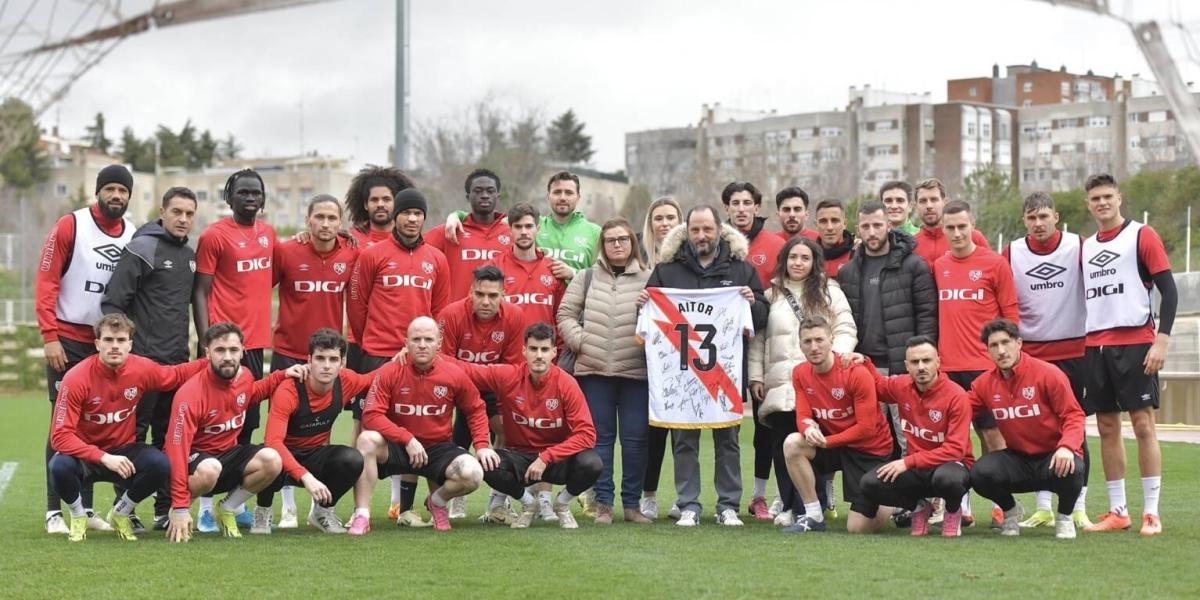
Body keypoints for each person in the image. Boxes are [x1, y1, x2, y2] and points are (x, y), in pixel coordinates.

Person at [643, 205, 768, 527]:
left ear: (718, 229)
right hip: (681, 373)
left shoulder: (740, 268)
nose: (701, 236)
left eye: (707, 229)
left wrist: (753, 303)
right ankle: (689, 504)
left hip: (722, 372)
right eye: (695, 230)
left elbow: (762, 317)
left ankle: (728, 505)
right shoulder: (667, 270)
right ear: (687, 231)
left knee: (728, 440)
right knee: (684, 441)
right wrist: (644, 304)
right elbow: (648, 319)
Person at [36, 164, 135, 534]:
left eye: (123, 191)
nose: (116, 196)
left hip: (108, 343)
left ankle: (87, 509)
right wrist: (49, 335)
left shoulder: (133, 235)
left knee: (95, 427)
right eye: (110, 189)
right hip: (68, 339)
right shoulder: (70, 225)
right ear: (98, 192)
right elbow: (46, 282)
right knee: (62, 424)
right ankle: (52, 511)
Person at [48, 313, 206, 541]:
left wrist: (209, 360)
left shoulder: (141, 369)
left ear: (130, 345)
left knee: (160, 464)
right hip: (86, 457)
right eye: (109, 340)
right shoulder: (76, 378)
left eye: (121, 340)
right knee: (58, 465)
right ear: (97, 344)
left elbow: (174, 375)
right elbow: (60, 437)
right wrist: (103, 457)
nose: (115, 346)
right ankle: (78, 515)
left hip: (123, 452)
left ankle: (121, 513)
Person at [1078, 174, 1175, 537]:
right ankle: (1118, 510)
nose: (1102, 203)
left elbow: (1169, 290)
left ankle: (1151, 511)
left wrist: (1161, 340)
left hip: (1136, 343)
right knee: (1105, 426)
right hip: (1095, 345)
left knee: (1143, 424)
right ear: (1088, 204)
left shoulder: (1141, 235)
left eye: (1107, 196)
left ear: (1119, 198)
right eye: (1095, 198)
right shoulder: (1085, 247)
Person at [100, 186, 198, 530]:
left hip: (176, 364)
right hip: (141, 365)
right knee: (132, 439)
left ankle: (164, 508)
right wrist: (123, 354)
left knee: (171, 436)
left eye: (189, 213)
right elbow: (113, 302)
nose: (183, 219)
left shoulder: (190, 255)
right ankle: (124, 507)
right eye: (177, 212)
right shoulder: (142, 248)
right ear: (163, 211)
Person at [350, 318, 498, 533]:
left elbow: (475, 408)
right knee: (366, 441)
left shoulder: (453, 374)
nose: (422, 344)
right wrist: (407, 438)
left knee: (473, 474)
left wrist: (483, 445)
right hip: (398, 447)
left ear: (439, 343)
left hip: (437, 449)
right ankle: (362, 515)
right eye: (416, 339)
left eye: (428, 339)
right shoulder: (390, 371)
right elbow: (371, 415)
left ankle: (436, 502)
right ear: (406, 343)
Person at [749, 236, 856, 527]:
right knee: (782, 446)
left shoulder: (829, 291)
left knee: (812, 445)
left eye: (805, 258)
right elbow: (759, 338)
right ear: (785, 260)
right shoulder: (771, 295)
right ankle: (789, 504)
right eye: (793, 257)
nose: (798, 263)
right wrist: (755, 375)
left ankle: (811, 505)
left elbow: (845, 326)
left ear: (814, 262)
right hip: (780, 382)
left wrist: (837, 360)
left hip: (818, 383)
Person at [1002, 192, 1094, 529]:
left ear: (1056, 216)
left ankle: (1078, 506)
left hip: (1074, 352)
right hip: (1031, 355)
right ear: (1024, 220)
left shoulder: (1078, 245)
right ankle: (1043, 507)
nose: (1038, 224)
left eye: (1044, 216)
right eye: (1031, 218)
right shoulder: (1012, 251)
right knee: (1034, 428)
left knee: (1075, 426)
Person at [453, 323, 602, 529]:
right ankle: (528, 504)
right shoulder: (509, 376)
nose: (538, 355)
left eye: (544, 350)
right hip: (520, 457)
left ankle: (562, 504)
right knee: (486, 464)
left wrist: (546, 457)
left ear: (553, 352)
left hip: (556, 459)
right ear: (524, 351)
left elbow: (587, 435)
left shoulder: (567, 384)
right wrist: (428, 354)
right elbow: (468, 370)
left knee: (592, 463)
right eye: (533, 349)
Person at [164, 323, 303, 542]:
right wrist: (180, 506)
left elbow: (251, 394)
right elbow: (176, 450)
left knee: (272, 460)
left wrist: (282, 375)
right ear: (207, 352)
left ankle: (228, 507)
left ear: (242, 351)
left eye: (233, 350)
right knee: (210, 469)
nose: (227, 357)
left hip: (227, 456)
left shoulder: (245, 376)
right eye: (220, 350)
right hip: (195, 463)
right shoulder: (190, 394)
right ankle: (174, 511)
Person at [269, 195, 359, 526]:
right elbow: (260, 287)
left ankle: (318, 508)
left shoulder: (352, 251)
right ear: (307, 221)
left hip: (326, 355)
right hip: (289, 351)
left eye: (331, 217)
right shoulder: (287, 250)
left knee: (319, 424)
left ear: (340, 223)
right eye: (318, 217)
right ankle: (287, 506)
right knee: (283, 427)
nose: (325, 223)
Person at [557, 218, 652, 525]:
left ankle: (632, 505)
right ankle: (604, 505)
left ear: (632, 243)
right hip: (594, 372)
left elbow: (662, 320)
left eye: (623, 239)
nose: (617, 245)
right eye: (610, 240)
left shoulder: (649, 279)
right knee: (600, 441)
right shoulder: (585, 277)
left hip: (636, 373)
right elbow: (566, 313)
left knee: (636, 441)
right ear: (602, 244)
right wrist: (581, 341)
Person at [933, 199, 1017, 526]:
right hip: (949, 369)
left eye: (962, 226)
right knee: (954, 440)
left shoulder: (995, 264)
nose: (956, 233)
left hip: (986, 369)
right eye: (950, 227)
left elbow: (1010, 316)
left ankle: (1002, 507)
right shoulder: (939, 266)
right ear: (943, 229)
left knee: (992, 438)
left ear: (973, 225)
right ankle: (961, 507)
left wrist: (1007, 361)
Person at [967, 319, 1087, 539]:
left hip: (1052, 457)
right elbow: (959, 411)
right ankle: (1011, 511)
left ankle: (1064, 517)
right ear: (988, 351)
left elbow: (1074, 415)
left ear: (1019, 343)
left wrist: (1067, 447)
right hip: (1018, 460)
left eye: (1006, 342)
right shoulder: (984, 384)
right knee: (979, 473)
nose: (1001, 351)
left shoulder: (1048, 374)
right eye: (994, 345)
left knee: (1074, 467)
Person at [342, 165, 415, 521]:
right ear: (365, 204)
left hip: (412, 349)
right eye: (375, 199)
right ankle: (360, 501)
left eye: (388, 199)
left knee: (410, 421)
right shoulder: (353, 240)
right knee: (363, 421)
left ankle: (400, 502)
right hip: (367, 348)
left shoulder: (420, 243)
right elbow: (356, 302)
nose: (382, 205)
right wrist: (366, 337)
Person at [838, 200, 937, 455]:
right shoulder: (848, 271)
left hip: (902, 368)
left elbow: (927, 316)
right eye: (866, 226)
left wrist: (921, 361)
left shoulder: (914, 265)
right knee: (871, 438)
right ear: (857, 229)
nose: (872, 232)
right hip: (864, 367)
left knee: (909, 437)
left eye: (877, 225)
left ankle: (918, 495)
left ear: (889, 226)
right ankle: (877, 494)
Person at [782, 316, 895, 533]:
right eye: (807, 342)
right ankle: (813, 515)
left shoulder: (855, 372)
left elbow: (866, 428)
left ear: (831, 340)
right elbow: (803, 416)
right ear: (800, 345)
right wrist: (808, 429)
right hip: (835, 445)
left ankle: (891, 500)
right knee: (793, 443)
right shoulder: (800, 373)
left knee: (856, 528)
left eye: (819, 340)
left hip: (868, 450)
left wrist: (825, 442)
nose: (814, 347)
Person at [259, 329, 374, 533]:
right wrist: (306, 477)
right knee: (267, 456)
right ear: (309, 360)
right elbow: (273, 442)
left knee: (353, 459)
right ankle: (263, 511)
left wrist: (405, 358)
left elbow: (376, 378)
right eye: (320, 358)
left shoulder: (347, 381)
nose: (327, 366)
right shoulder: (289, 389)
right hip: (283, 458)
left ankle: (322, 512)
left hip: (316, 456)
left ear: (342, 362)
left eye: (333, 359)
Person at [859, 336, 973, 537]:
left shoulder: (956, 395)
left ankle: (953, 510)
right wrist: (864, 362)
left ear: (938, 362)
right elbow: (877, 385)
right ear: (906, 366)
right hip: (918, 468)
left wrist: (908, 461)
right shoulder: (902, 386)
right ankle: (919, 507)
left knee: (947, 479)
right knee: (870, 483)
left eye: (926, 361)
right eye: (915, 362)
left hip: (953, 466)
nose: (921, 367)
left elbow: (955, 449)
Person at [437, 264, 525, 519]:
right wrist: (479, 373)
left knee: (507, 429)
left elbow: (510, 368)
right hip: (453, 383)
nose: (486, 301)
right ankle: (457, 496)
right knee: (453, 436)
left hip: (493, 384)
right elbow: (442, 362)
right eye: (480, 294)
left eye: (493, 296)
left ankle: (497, 501)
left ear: (503, 295)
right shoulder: (450, 314)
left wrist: (480, 375)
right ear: (470, 291)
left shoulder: (515, 317)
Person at [719, 181, 782, 522]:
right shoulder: (714, 245)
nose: (741, 208)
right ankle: (717, 498)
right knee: (721, 423)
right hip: (721, 348)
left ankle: (759, 495)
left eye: (747, 202)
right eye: (735, 202)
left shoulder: (775, 245)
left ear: (757, 207)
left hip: (763, 344)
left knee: (765, 424)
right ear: (726, 208)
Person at [444, 170, 597, 277]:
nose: (562, 197)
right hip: (541, 306)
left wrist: (574, 273)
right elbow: (489, 220)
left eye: (569, 193)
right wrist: (457, 215)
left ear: (578, 197)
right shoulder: (532, 225)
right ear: (548, 196)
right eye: (557, 192)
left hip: (577, 312)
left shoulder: (594, 232)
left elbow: (604, 278)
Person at [636, 196, 682, 520]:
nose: (664, 223)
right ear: (650, 223)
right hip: (644, 359)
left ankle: (684, 495)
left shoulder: (690, 260)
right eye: (658, 218)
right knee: (651, 433)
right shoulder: (637, 260)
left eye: (670, 217)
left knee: (683, 433)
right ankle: (648, 494)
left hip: (682, 359)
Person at [425, 169, 514, 300]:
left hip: (501, 315)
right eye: (478, 191)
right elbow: (413, 249)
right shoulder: (450, 230)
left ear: (497, 196)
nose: (484, 195)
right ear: (468, 196)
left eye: (490, 191)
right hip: (458, 316)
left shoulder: (514, 231)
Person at [491, 203, 568, 336]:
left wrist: (557, 354)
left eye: (529, 226)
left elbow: (562, 318)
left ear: (537, 229)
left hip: (543, 353)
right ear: (509, 230)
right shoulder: (494, 267)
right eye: (518, 227)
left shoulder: (553, 269)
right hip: (507, 353)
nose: (524, 232)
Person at [912, 177, 991, 268]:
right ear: (915, 206)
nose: (929, 206)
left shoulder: (973, 236)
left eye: (934, 200)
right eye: (923, 201)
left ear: (945, 202)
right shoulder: (912, 245)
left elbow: (993, 269)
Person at [813, 199, 855, 278]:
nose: (829, 227)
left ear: (844, 224)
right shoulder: (809, 256)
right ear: (816, 225)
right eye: (823, 221)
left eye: (835, 221)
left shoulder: (858, 254)